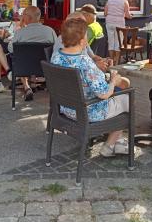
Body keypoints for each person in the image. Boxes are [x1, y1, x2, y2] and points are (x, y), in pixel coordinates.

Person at [51, 18, 131, 157]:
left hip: (66, 109)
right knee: (127, 98)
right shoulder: (84, 61)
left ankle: (118, 141)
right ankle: (110, 145)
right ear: (82, 42)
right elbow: (104, 94)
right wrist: (113, 80)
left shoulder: (56, 57)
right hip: (87, 112)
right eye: (86, 38)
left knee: (120, 94)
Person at [8, 5, 57, 101]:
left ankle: (27, 87)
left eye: (23, 15)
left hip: (24, 68)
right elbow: (55, 48)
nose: (22, 17)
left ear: (28, 17)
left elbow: (11, 49)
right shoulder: (49, 31)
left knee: (20, 58)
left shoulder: (20, 33)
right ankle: (35, 84)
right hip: (44, 68)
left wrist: (21, 27)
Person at [104, 0, 132, 64]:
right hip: (119, 23)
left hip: (109, 22)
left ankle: (111, 61)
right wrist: (131, 16)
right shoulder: (124, 1)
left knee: (111, 42)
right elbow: (127, 15)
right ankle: (116, 63)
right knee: (118, 42)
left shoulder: (109, 0)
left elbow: (105, 13)